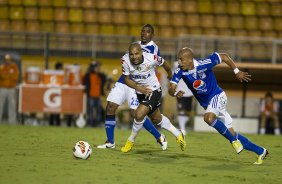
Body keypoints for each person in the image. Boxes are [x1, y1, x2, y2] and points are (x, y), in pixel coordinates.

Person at [168, 47, 268, 164]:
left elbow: (224, 56)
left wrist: (236, 71)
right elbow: (171, 88)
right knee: (232, 133)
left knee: (208, 118)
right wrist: (175, 93)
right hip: (209, 104)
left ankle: (234, 143)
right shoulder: (179, 71)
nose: (179, 62)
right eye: (178, 60)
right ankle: (261, 151)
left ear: (190, 59)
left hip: (218, 96)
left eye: (181, 59)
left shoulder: (204, 63)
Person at [97, 24, 167, 150]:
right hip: (125, 80)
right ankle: (110, 142)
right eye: (142, 31)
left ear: (152, 35)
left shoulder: (154, 49)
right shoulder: (135, 44)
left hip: (138, 84)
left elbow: (149, 65)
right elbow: (127, 61)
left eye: (147, 32)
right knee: (110, 106)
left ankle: (159, 136)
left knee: (136, 113)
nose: (143, 34)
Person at [120, 42, 186, 153]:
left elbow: (165, 63)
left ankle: (130, 141)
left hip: (154, 90)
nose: (134, 57)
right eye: (131, 54)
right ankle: (178, 133)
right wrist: (138, 87)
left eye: (137, 53)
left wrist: (170, 75)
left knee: (138, 114)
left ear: (141, 52)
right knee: (157, 119)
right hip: (141, 92)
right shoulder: (125, 60)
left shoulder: (151, 58)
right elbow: (126, 79)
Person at [84, 61, 107, 127]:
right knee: (90, 110)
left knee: (98, 111)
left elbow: (105, 79)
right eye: (97, 67)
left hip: (98, 96)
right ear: (93, 68)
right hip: (91, 95)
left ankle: (97, 123)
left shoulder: (101, 76)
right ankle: (90, 122)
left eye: (99, 67)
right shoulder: (88, 75)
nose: (99, 68)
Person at [173, 61, 194, 135]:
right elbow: (173, 76)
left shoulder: (192, 64)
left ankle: (183, 126)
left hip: (189, 92)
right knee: (181, 110)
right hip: (180, 91)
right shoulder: (176, 64)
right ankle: (182, 128)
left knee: (188, 111)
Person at [0, 54, 19, 124]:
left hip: (11, 88)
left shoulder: (14, 68)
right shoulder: (1, 68)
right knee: (0, 104)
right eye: (6, 60)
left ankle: (12, 121)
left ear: (11, 60)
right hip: (2, 88)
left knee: (12, 105)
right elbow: (1, 76)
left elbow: (15, 77)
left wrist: (7, 76)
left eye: (9, 60)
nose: (8, 61)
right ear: (4, 60)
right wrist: (8, 76)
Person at [49, 62, 63, 126]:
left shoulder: (54, 74)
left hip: (56, 92)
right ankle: (53, 123)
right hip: (54, 92)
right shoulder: (57, 74)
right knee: (53, 109)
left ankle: (56, 123)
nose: (61, 68)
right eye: (60, 67)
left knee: (57, 109)